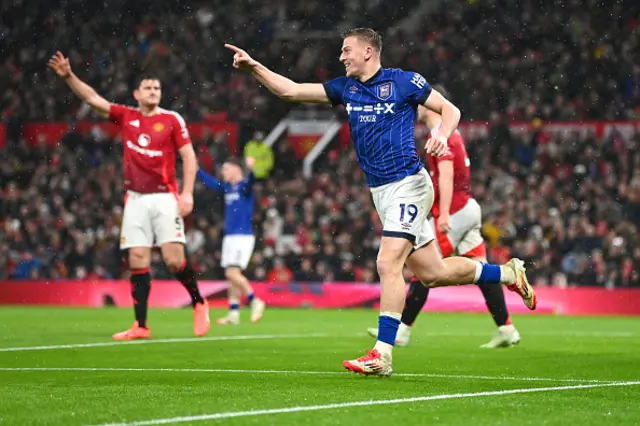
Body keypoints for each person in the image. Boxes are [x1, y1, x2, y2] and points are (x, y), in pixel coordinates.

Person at [224, 28, 537, 377]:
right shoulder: (347, 89)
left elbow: (451, 110)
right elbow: (292, 90)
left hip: (410, 185)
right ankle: (507, 273)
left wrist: (439, 133)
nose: (341, 57)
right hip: (382, 193)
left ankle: (382, 354)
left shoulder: (403, 82)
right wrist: (255, 67)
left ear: (369, 51)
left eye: (347, 50)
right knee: (433, 274)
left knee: (388, 263)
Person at [47, 51, 210, 340]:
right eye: (148, 88)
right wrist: (69, 77)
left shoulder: (172, 119)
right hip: (135, 198)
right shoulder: (127, 116)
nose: (153, 92)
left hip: (164, 197)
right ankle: (141, 326)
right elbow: (93, 100)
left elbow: (189, 156)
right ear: (136, 94)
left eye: (157, 88)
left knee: (174, 261)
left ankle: (199, 302)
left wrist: (187, 194)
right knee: (137, 258)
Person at [367, 85, 521, 349]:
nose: (416, 107)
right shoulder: (450, 132)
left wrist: (444, 214)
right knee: (482, 270)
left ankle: (402, 329)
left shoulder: (442, 134)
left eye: (419, 103)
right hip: (468, 207)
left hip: (456, 211)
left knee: (427, 268)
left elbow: (446, 174)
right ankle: (507, 328)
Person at [197, 157, 266, 324]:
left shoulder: (244, 187)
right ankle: (233, 313)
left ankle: (255, 300)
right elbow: (211, 183)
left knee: (231, 273)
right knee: (232, 276)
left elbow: (251, 181)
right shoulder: (228, 188)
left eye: (226, 169)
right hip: (230, 237)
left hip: (242, 237)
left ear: (236, 169)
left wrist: (251, 169)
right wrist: (196, 169)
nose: (223, 173)